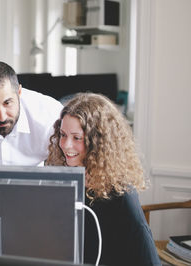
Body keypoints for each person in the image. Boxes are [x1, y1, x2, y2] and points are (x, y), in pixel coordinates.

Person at [46, 93, 160, 266]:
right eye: (62, 134)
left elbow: (148, 260)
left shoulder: (122, 195)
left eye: (77, 138)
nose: (66, 145)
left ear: (98, 142)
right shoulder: (65, 182)